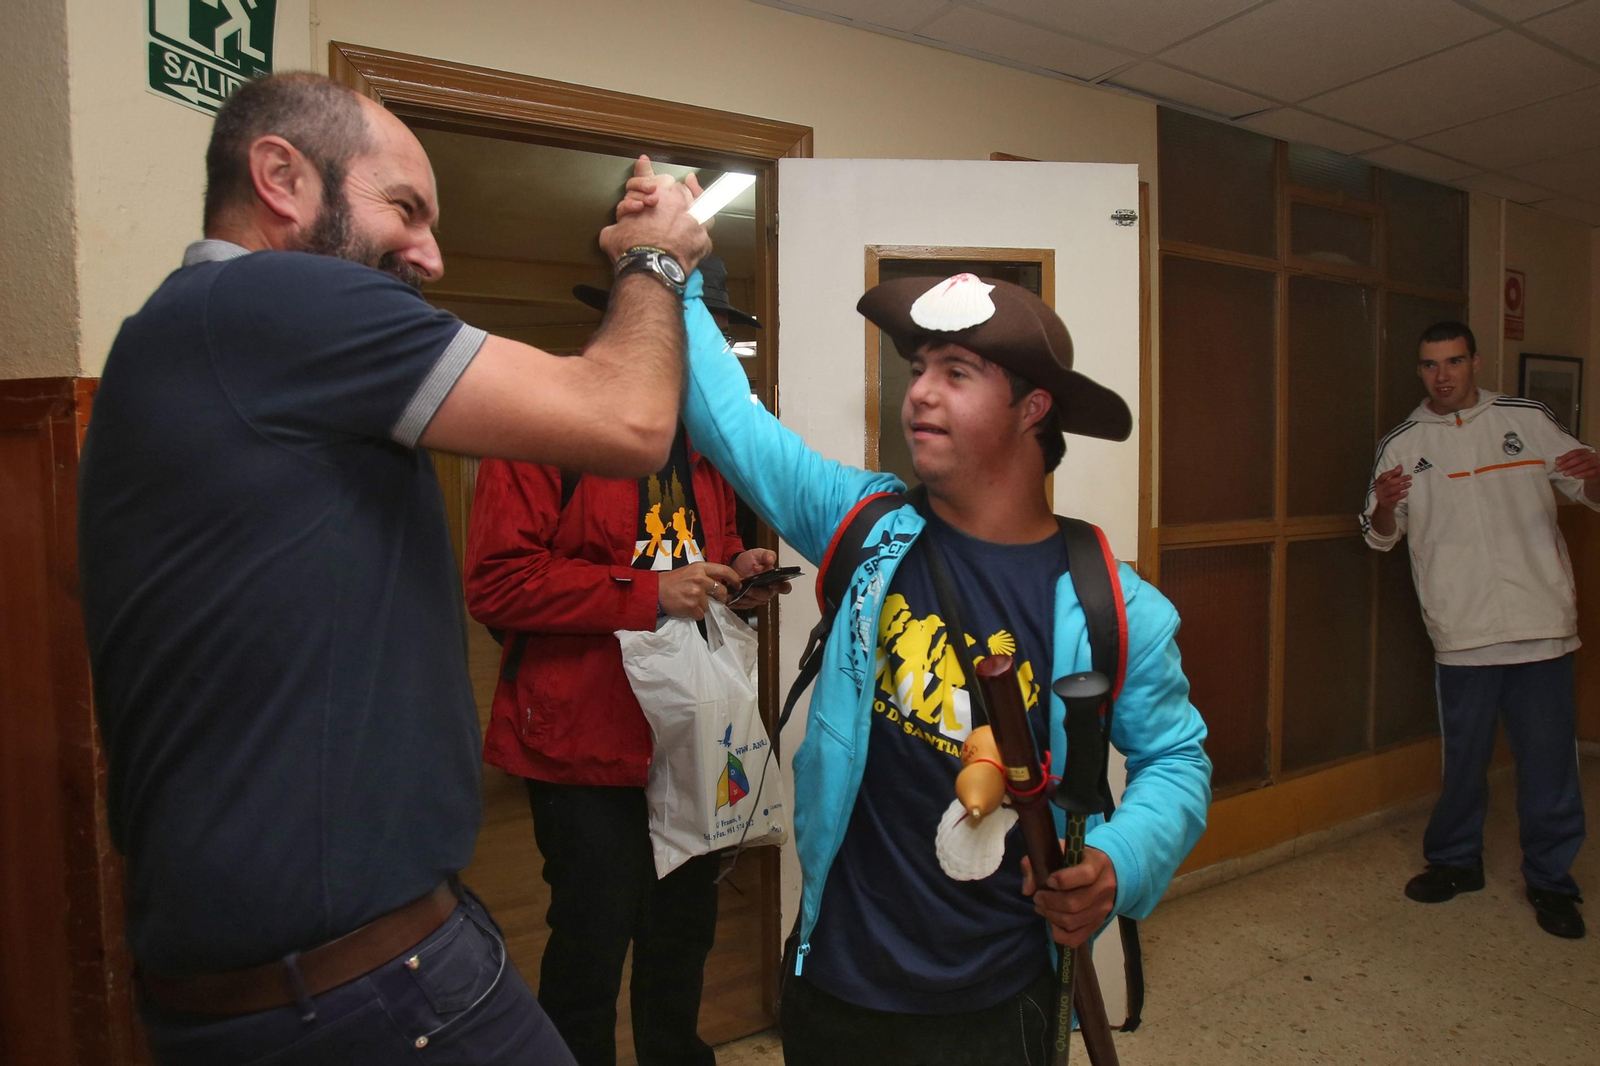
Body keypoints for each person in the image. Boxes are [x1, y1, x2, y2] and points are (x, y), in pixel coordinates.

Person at [77, 72, 709, 1065]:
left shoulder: (191, 335)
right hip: (359, 991)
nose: (430, 252)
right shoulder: (273, 295)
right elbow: (625, 417)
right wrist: (652, 258)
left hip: (284, 980)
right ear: (281, 176)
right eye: (404, 208)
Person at [626, 169, 1210, 1064]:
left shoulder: (1110, 604)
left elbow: (1177, 761)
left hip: (996, 997)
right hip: (834, 976)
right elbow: (731, 425)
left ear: (1033, 409)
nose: (920, 394)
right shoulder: (866, 526)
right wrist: (680, 269)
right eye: (919, 369)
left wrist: (1121, 865)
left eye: (958, 372)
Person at [464, 263, 789, 1066]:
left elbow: (690, 561)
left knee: (684, 929)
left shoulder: (707, 444)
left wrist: (728, 574)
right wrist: (648, 593)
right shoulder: (543, 427)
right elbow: (497, 582)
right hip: (582, 738)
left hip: (690, 730)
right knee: (592, 934)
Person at [1362, 321, 1597, 941]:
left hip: (1542, 626)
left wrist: (1595, 473)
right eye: (1431, 364)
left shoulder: (1527, 417)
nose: (1443, 375)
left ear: (1475, 362)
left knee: (1549, 762)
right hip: (1462, 633)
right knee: (1463, 762)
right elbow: (1380, 534)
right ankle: (1456, 861)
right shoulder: (1402, 442)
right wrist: (1385, 503)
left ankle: (1551, 881)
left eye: (1454, 361)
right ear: (1420, 371)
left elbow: (1588, 489)